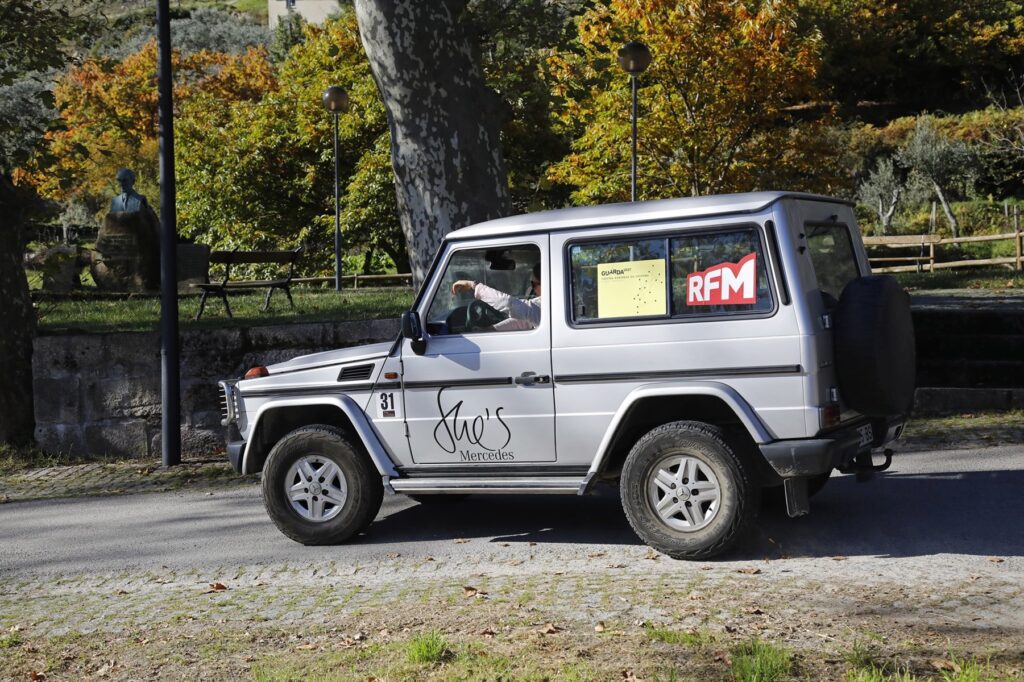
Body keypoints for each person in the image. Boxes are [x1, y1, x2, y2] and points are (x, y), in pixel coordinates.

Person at [451, 263, 541, 331]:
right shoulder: (542, 305)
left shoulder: (543, 305)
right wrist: (491, 329)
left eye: (534, 284)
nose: (532, 288)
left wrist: (472, 285)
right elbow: (523, 321)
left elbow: (508, 304)